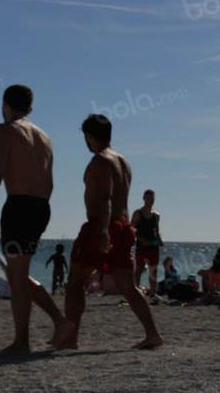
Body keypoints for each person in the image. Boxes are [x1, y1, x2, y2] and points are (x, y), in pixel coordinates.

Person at [0, 84, 65, 354]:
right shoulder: (44, 137)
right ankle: (59, 324)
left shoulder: (4, 130)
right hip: (41, 207)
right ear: (30, 108)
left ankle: (25, 340)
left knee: (17, 275)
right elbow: (49, 182)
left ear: (4, 104)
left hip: (19, 207)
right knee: (18, 274)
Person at [55, 114, 163, 350]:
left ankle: (70, 338)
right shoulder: (123, 161)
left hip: (101, 226)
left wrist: (102, 232)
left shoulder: (100, 161)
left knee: (75, 283)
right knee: (127, 284)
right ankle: (152, 334)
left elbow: (103, 199)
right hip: (124, 227)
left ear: (89, 136)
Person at [131, 189, 163, 296]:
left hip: (153, 246)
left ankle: (153, 293)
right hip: (142, 246)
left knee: (153, 271)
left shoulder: (156, 215)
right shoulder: (138, 213)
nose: (150, 200)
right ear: (144, 198)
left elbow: (156, 230)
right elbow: (131, 229)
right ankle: (135, 292)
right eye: (148, 198)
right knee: (139, 270)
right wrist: (141, 240)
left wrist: (159, 239)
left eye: (152, 198)